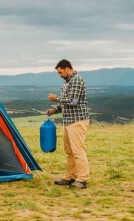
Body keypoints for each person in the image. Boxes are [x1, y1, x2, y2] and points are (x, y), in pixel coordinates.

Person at [46, 59, 89, 189]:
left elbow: (73, 101)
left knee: (78, 151)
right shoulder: (66, 83)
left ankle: (82, 179)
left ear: (67, 69)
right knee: (69, 151)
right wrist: (55, 110)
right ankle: (70, 176)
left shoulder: (76, 80)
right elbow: (65, 103)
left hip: (77, 120)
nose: (59, 75)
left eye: (60, 72)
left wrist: (56, 99)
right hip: (68, 121)